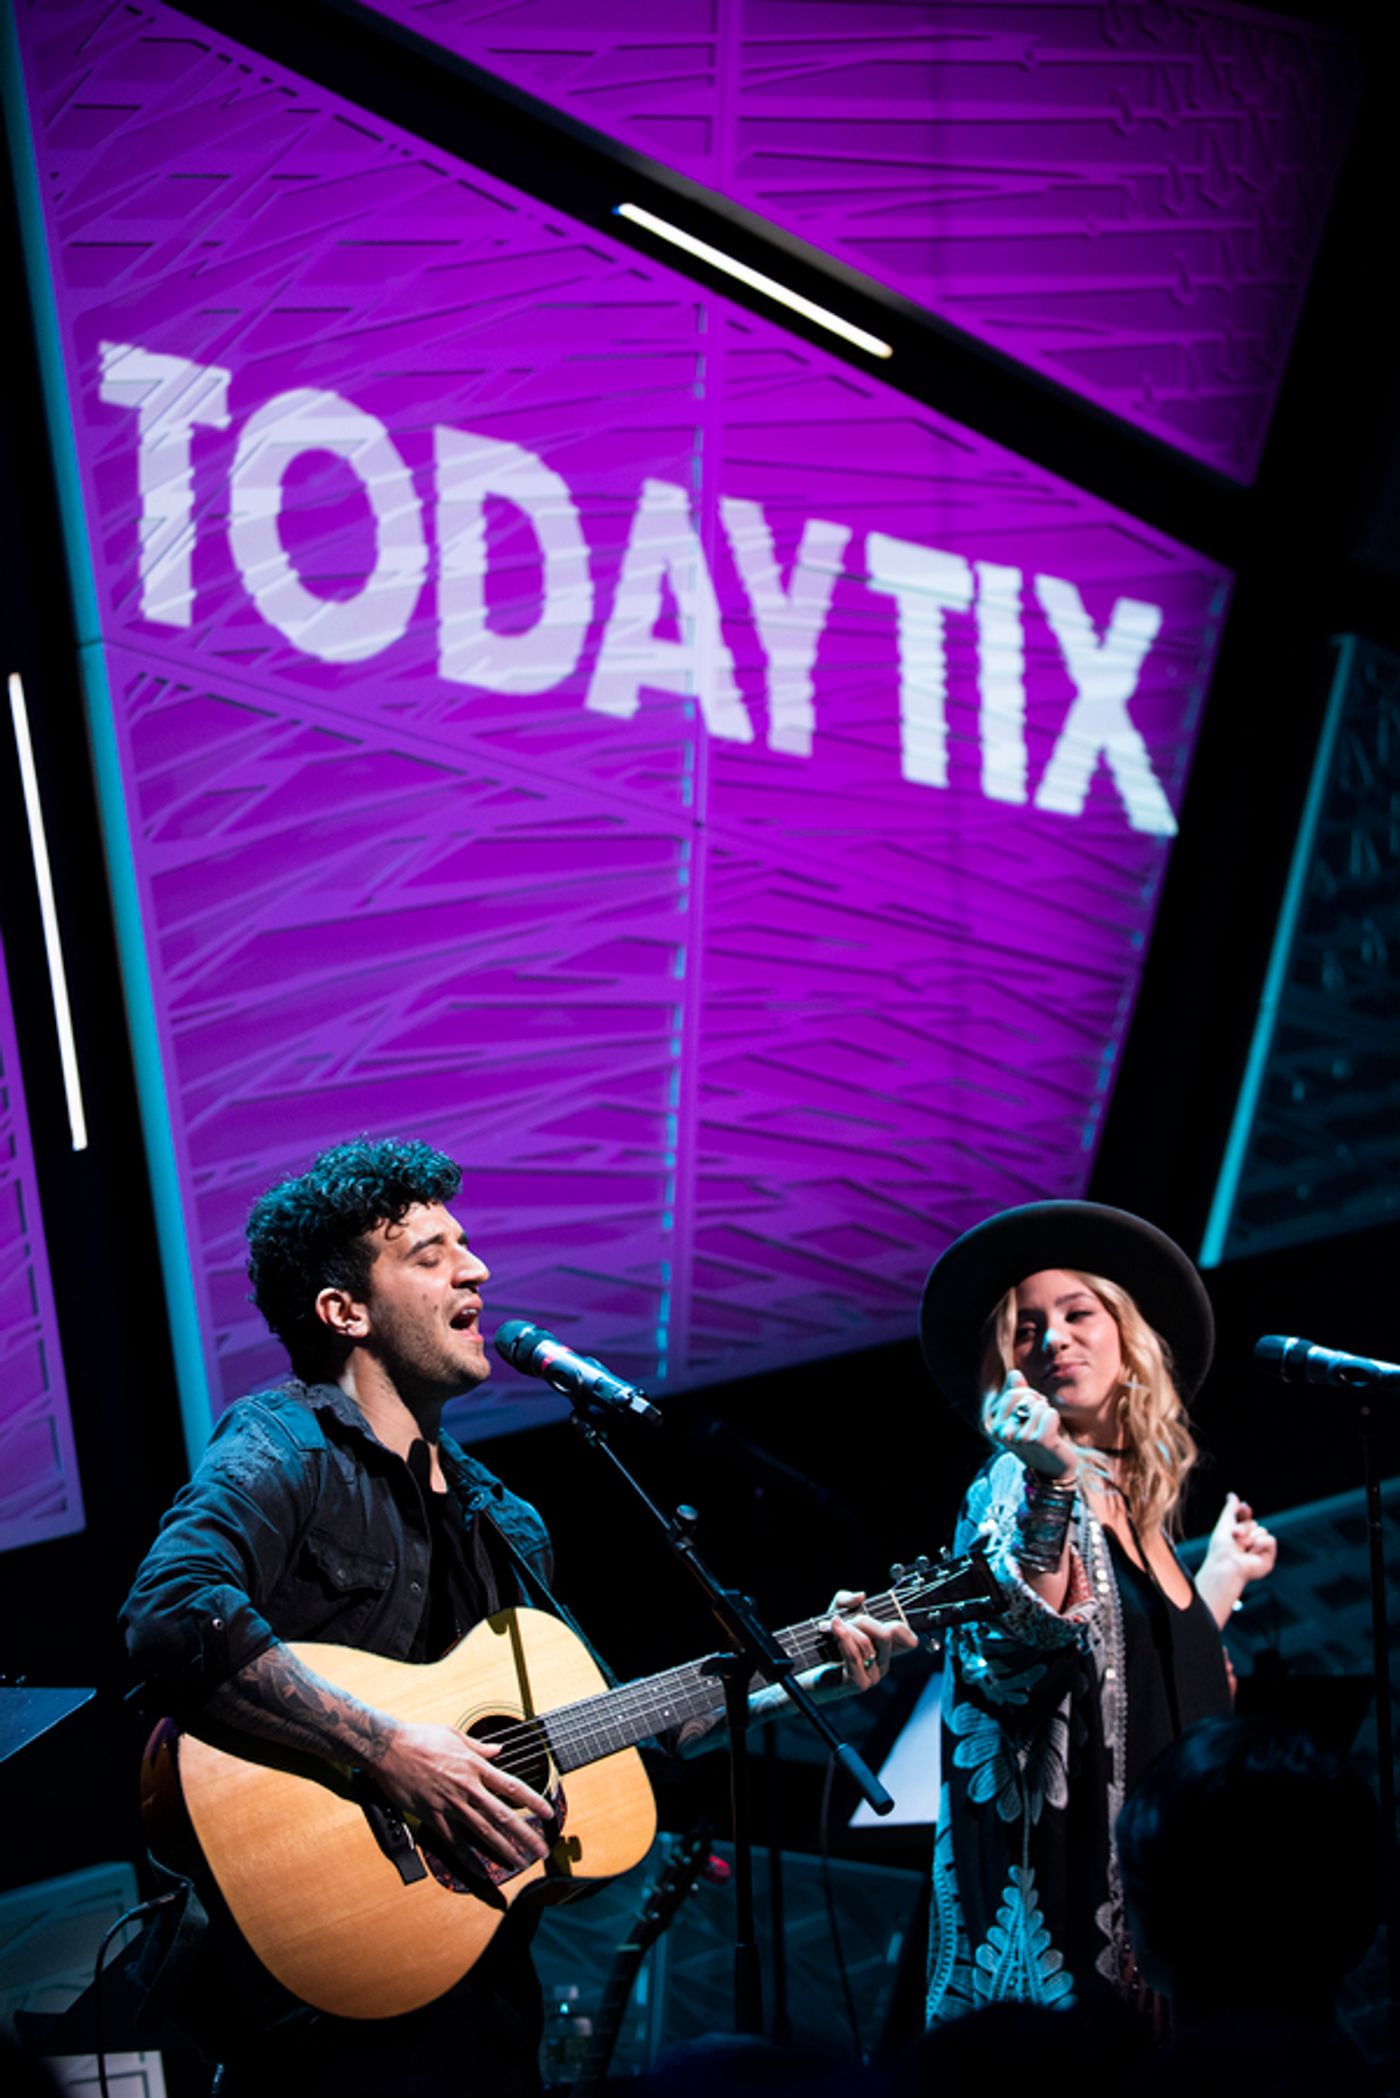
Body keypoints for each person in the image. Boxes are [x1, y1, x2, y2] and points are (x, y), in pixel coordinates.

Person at [120, 1136, 912, 2096]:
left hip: (483, 1999)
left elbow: (610, 1728)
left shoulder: (506, 1520)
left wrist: (810, 1668)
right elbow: (172, 1614)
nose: (478, 1268)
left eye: (467, 1243)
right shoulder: (286, 1446)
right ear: (344, 1311)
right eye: (430, 1254)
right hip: (319, 2013)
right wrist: (392, 1752)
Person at [916, 1200, 1277, 2024]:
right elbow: (1024, 1643)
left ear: (1127, 1337)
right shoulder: (1017, 1482)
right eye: (1026, 1330)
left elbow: (1145, 1683)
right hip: (1076, 1913)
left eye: (1078, 1313)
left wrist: (1215, 1584)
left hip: (1179, 1907)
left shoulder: (1135, 1507)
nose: (1055, 1339)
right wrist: (1046, 1478)